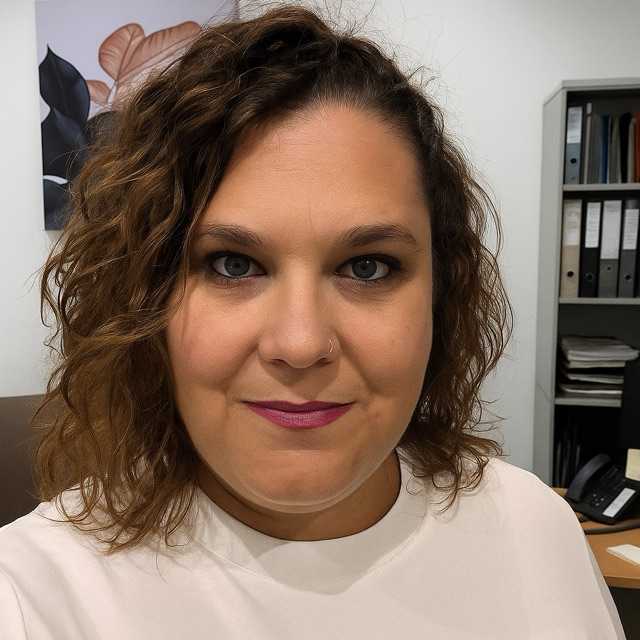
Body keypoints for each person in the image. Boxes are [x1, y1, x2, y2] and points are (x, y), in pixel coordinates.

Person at [0, 3, 627, 639]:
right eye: (233, 265)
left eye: (368, 268)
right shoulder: (31, 596)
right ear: (144, 300)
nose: (300, 344)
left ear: (441, 294)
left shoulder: (533, 528)